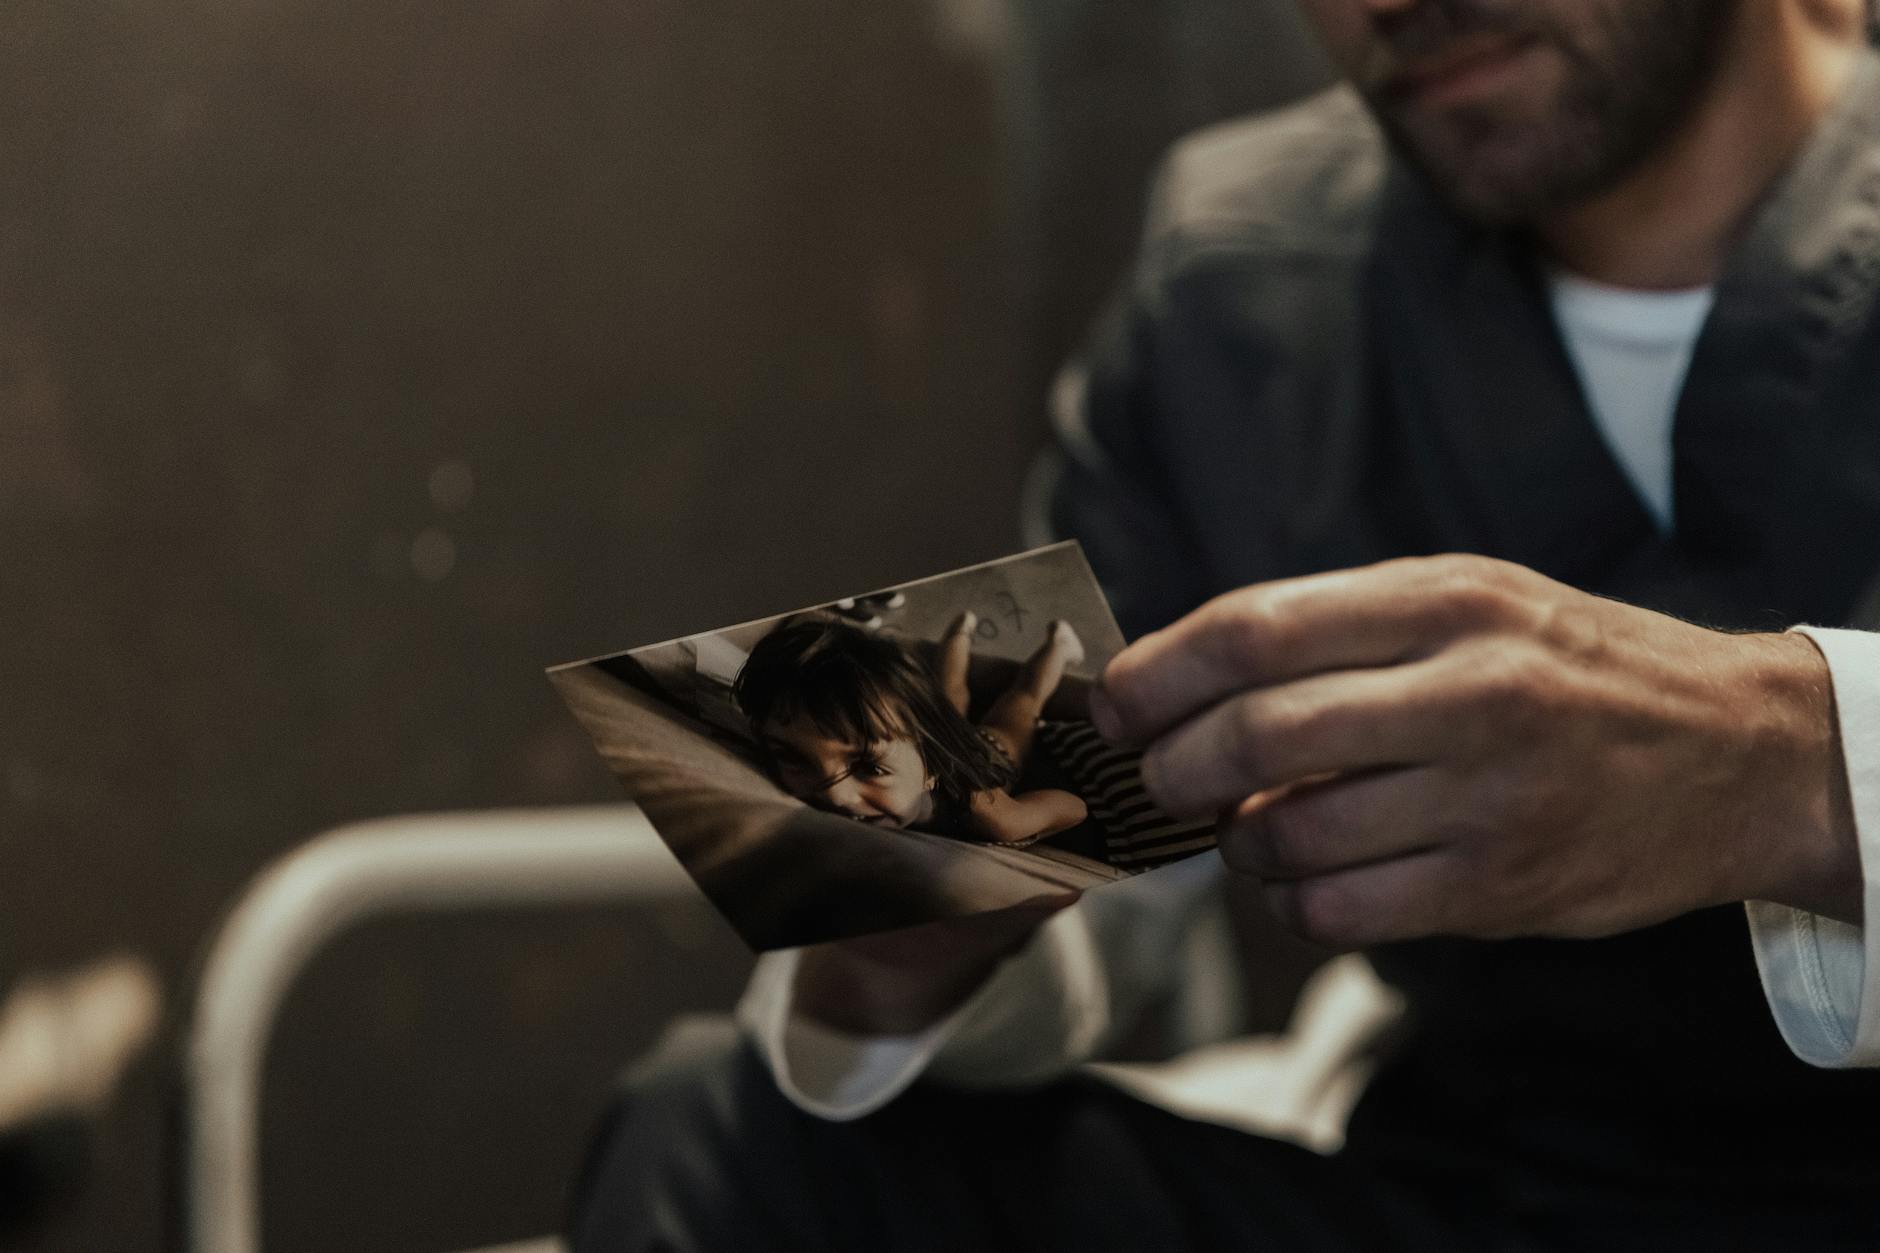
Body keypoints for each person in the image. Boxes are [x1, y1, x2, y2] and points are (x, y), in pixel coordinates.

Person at [569, 1, 1880, 1248]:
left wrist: (1799, 768)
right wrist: (900, 963)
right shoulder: (1248, 287)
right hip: (1483, 1189)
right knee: (730, 1142)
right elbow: (1104, 841)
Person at [734, 613, 1089, 845]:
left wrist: (1024, 825)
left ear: (932, 769)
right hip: (927, 736)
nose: (835, 797)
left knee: (1022, 702)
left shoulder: (989, 813)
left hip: (986, 755)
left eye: (869, 767)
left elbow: (1073, 807)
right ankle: (959, 635)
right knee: (948, 696)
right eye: (793, 756)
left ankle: (1060, 644)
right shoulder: (905, 747)